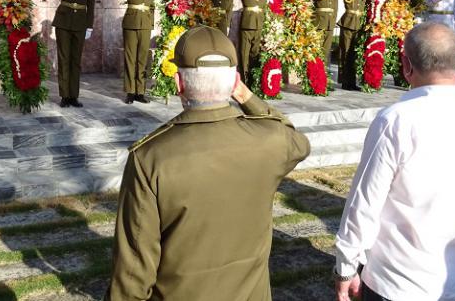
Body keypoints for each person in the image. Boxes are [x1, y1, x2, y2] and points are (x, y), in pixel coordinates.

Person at [106, 25, 310, 300]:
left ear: (178, 83)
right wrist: (246, 97)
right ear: (234, 81)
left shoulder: (151, 157)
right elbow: (292, 135)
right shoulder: (270, 141)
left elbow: (133, 269)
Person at [334, 22, 455, 301]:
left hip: (395, 283)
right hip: (454, 282)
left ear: (406, 65)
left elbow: (365, 203)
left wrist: (345, 268)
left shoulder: (395, 121)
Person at [32, 0, 94, 108]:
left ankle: (74, 96)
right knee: (64, 59)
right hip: (64, 22)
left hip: (80, 22)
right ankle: (65, 96)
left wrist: (90, 26)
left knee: (76, 61)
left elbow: (91, 3)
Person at [105, 0, 155, 104]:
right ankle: (130, 91)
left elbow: (151, 5)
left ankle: (140, 92)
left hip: (145, 23)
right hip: (131, 22)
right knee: (130, 58)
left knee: (142, 59)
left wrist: (151, 23)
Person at [223, 0, 267, 87]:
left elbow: (263, 5)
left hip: (258, 23)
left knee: (255, 53)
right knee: (244, 54)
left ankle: (253, 81)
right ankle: (243, 81)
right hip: (247, 23)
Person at [302, 0, 339, 67]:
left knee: (326, 52)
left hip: (330, 25)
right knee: (315, 51)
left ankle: (324, 76)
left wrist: (334, 21)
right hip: (318, 24)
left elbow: (335, 7)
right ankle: (314, 75)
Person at [337, 0, 366, 90]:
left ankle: (352, 82)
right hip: (347, 23)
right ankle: (345, 82)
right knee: (345, 52)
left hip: (359, 25)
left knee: (354, 54)